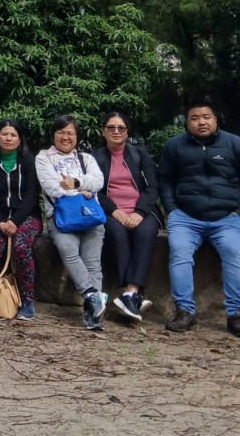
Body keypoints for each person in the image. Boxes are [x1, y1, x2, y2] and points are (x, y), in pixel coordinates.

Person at [158, 98, 240, 339]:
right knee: (179, 251)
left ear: (216, 119)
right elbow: (164, 180)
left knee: (232, 251)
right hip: (185, 217)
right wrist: (172, 209)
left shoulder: (237, 145)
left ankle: (236, 315)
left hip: (226, 218)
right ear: (187, 123)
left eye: (206, 117)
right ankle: (185, 310)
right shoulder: (174, 147)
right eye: (194, 118)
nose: (201, 122)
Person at [36, 115, 107, 331]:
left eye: (70, 133)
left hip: (90, 217)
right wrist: (82, 190)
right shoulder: (43, 158)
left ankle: (93, 315)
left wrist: (75, 183)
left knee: (93, 262)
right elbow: (52, 187)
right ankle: (92, 295)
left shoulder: (86, 158)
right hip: (61, 217)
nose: (65, 137)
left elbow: (98, 181)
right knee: (68, 250)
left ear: (77, 137)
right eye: (61, 132)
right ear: (54, 134)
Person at [92, 111, 161, 322]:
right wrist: (115, 211)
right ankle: (130, 295)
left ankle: (130, 292)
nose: (116, 131)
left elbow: (153, 187)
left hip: (141, 210)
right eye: (111, 127)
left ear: (127, 132)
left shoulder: (139, 154)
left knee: (145, 234)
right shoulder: (95, 157)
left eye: (120, 128)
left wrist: (140, 212)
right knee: (116, 233)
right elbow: (95, 190)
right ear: (103, 131)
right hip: (111, 211)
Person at [0, 120, 41, 319]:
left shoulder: (28, 161)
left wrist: (16, 221)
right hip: (1, 218)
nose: (8, 138)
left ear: (19, 139)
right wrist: (1, 222)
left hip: (26, 217)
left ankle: (27, 300)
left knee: (21, 247)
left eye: (13, 135)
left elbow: (32, 195)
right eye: (4, 134)